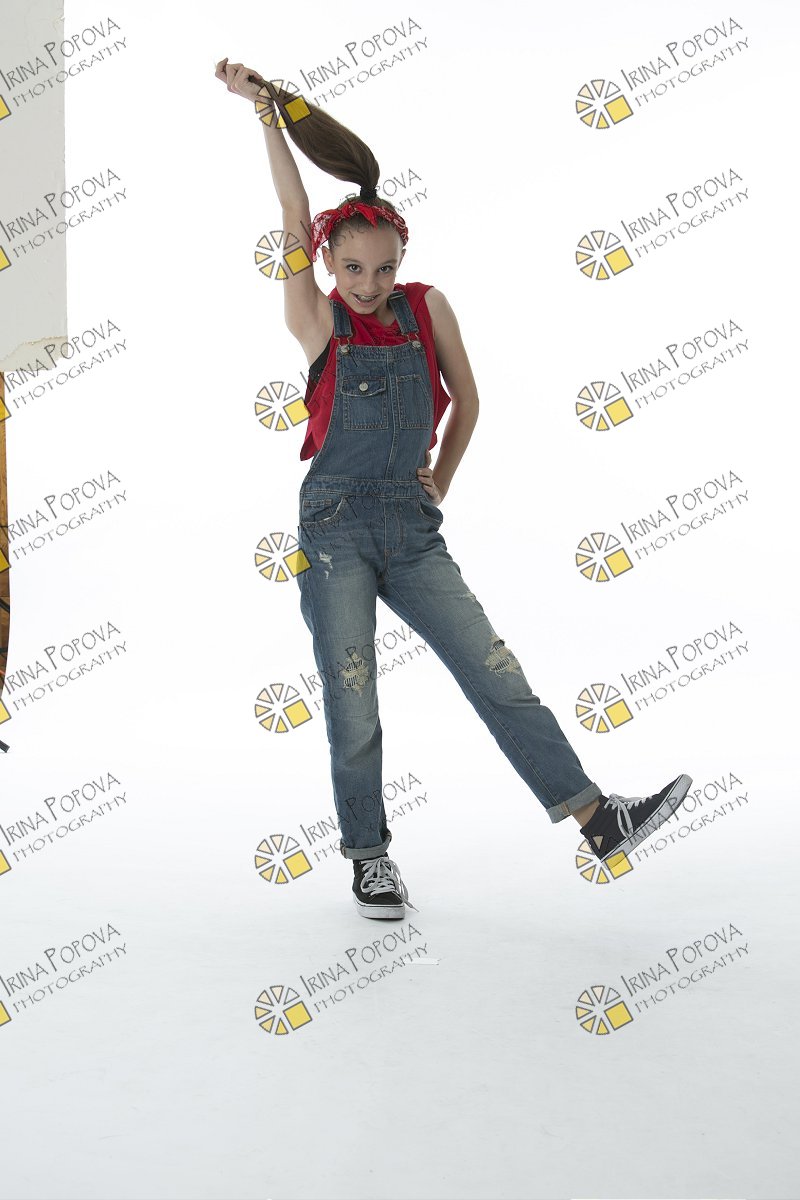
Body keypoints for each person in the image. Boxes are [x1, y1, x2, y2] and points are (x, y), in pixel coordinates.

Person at [216, 60, 693, 920]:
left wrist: (440, 480)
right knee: (354, 698)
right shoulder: (316, 320)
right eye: (353, 269)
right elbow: (290, 212)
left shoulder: (427, 308)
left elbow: (468, 402)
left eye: (383, 268)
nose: (370, 284)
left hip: (411, 525)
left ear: (402, 260)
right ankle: (369, 859)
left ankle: (597, 820)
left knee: (493, 669)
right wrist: (268, 117)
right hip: (334, 530)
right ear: (327, 262)